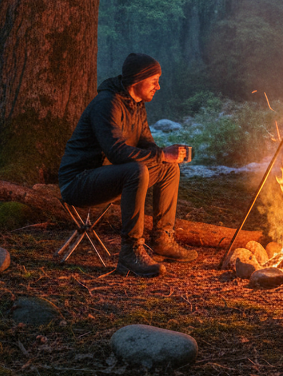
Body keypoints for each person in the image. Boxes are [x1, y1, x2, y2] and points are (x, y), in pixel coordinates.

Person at [58, 53, 196, 277]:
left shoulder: (136, 105)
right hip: (79, 181)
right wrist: (162, 154)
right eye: (154, 81)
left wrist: (168, 154)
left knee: (169, 168)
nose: (158, 87)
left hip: (110, 177)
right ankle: (130, 252)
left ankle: (162, 239)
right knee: (137, 169)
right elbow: (116, 152)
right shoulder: (107, 103)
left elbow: (148, 145)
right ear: (137, 80)